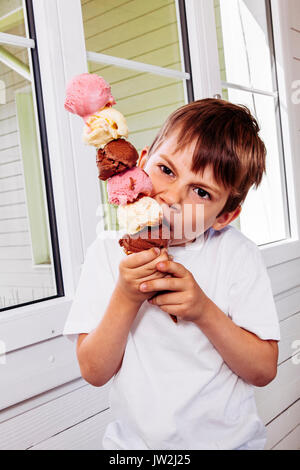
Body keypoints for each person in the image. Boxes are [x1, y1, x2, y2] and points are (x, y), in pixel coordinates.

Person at [63, 99, 280, 450]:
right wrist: (126, 295)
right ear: (142, 161)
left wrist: (203, 310)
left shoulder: (237, 255)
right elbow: (94, 371)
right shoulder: (107, 253)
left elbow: (263, 371)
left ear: (225, 215)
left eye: (201, 192)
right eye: (165, 170)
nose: (172, 198)